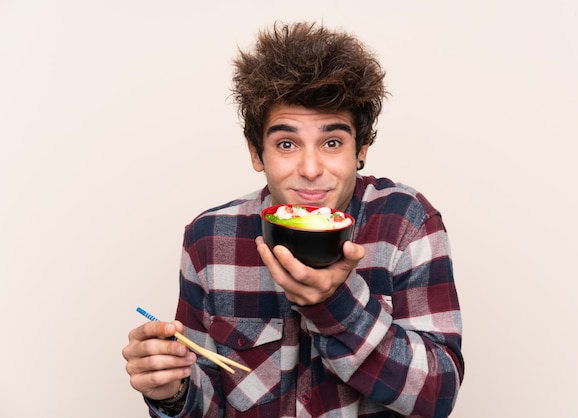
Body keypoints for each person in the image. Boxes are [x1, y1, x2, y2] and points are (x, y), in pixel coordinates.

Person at [122, 21, 464, 418]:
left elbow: (438, 396)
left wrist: (334, 304)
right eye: (286, 144)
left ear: (362, 150)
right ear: (256, 153)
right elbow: (209, 400)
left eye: (332, 142)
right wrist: (173, 390)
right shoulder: (210, 238)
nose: (311, 168)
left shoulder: (406, 223)